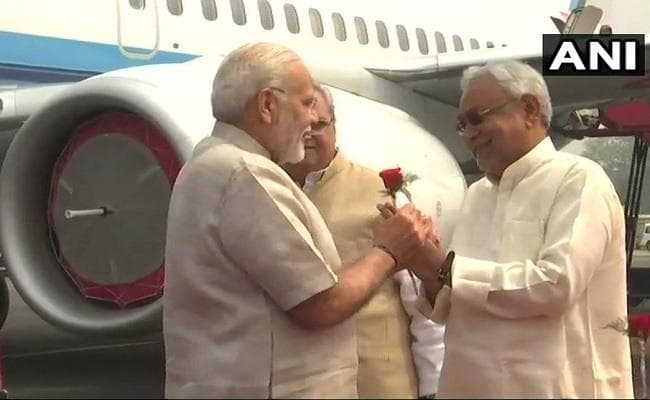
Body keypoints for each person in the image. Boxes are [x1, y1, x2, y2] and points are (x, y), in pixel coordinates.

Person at [162, 42, 434, 398]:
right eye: (306, 104)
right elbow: (321, 306)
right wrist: (389, 250)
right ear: (268, 105)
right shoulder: (245, 173)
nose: (310, 120)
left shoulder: (207, 165)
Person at [406, 60, 634, 398]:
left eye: (477, 118)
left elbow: (556, 285)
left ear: (529, 109)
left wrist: (447, 269)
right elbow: (456, 301)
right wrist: (426, 269)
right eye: (462, 124)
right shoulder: (477, 194)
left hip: (558, 388)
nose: (468, 134)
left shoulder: (579, 179)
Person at [283, 84, 445, 399]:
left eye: (319, 125)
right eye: (298, 124)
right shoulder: (263, 192)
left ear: (335, 126)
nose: (308, 134)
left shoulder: (382, 195)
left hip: (377, 382)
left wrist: (434, 387)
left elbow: (423, 305)